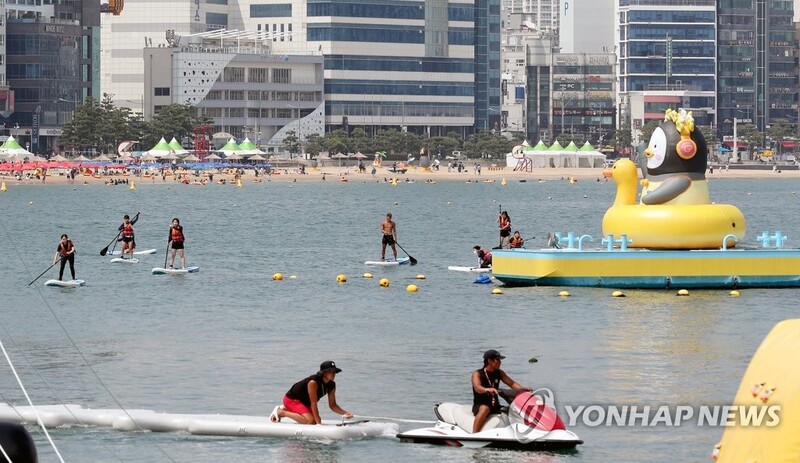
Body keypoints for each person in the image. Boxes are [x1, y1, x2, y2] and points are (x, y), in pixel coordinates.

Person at [270, 361, 353, 425]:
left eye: (334, 371)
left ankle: (287, 409)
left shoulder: (332, 385)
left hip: (305, 403)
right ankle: (281, 412)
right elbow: (313, 403)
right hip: (292, 400)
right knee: (310, 421)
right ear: (324, 373)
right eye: (331, 371)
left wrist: (345, 413)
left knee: (314, 421)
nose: (334, 374)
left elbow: (333, 405)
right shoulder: (313, 382)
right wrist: (319, 423)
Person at [471, 349, 533, 433]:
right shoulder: (477, 373)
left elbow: (512, 383)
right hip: (480, 405)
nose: (500, 362)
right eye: (498, 360)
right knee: (485, 409)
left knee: (514, 410)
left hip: (495, 405)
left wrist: (523, 391)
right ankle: (474, 435)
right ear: (490, 361)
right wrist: (487, 389)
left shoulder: (499, 373)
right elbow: (477, 387)